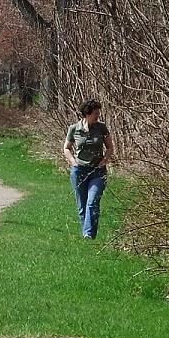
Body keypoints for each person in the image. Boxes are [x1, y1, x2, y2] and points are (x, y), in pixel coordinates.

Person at [63, 99, 115, 239]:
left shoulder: (101, 128)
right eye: (96, 113)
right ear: (87, 113)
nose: (98, 115)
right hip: (79, 171)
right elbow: (66, 148)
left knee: (92, 202)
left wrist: (104, 160)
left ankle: (89, 235)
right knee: (82, 205)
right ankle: (87, 235)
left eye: (99, 112)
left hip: (97, 172)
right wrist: (73, 162)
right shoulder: (74, 129)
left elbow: (110, 147)